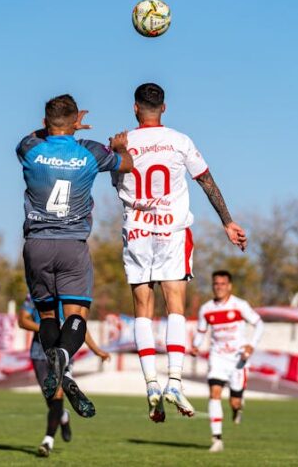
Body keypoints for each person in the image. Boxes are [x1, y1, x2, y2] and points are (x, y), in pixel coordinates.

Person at [111, 83, 247, 422]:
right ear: (164, 108)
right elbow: (206, 180)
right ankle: (174, 379)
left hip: (138, 231)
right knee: (175, 305)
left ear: (135, 108)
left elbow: (114, 178)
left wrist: (115, 151)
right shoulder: (180, 140)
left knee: (142, 308)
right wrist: (228, 222)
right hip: (172, 231)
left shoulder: (121, 143)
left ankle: (150, 384)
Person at [17, 94, 132, 418]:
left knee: (48, 318)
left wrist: (54, 129)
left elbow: (32, 138)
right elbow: (127, 165)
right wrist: (120, 147)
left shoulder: (30, 148)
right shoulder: (90, 151)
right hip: (72, 244)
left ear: (44, 122)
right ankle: (64, 360)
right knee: (76, 315)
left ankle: (60, 369)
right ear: (74, 122)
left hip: (37, 244)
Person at [17, 295, 111, 457]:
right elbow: (22, 321)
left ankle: (48, 441)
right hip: (40, 352)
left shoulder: (68, 293)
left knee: (57, 393)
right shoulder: (35, 294)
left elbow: (80, 327)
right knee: (51, 396)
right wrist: (47, 328)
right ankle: (63, 415)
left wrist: (96, 349)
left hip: (63, 349)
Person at [190, 270, 264, 452]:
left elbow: (259, 324)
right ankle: (217, 439)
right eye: (216, 284)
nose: (219, 287)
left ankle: (238, 408)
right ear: (212, 286)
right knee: (214, 393)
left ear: (229, 286)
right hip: (217, 357)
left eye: (223, 284)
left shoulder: (240, 305)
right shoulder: (206, 309)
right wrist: (195, 345)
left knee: (234, 402)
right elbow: (201, 330)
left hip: (238, 359)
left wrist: (251, 345)